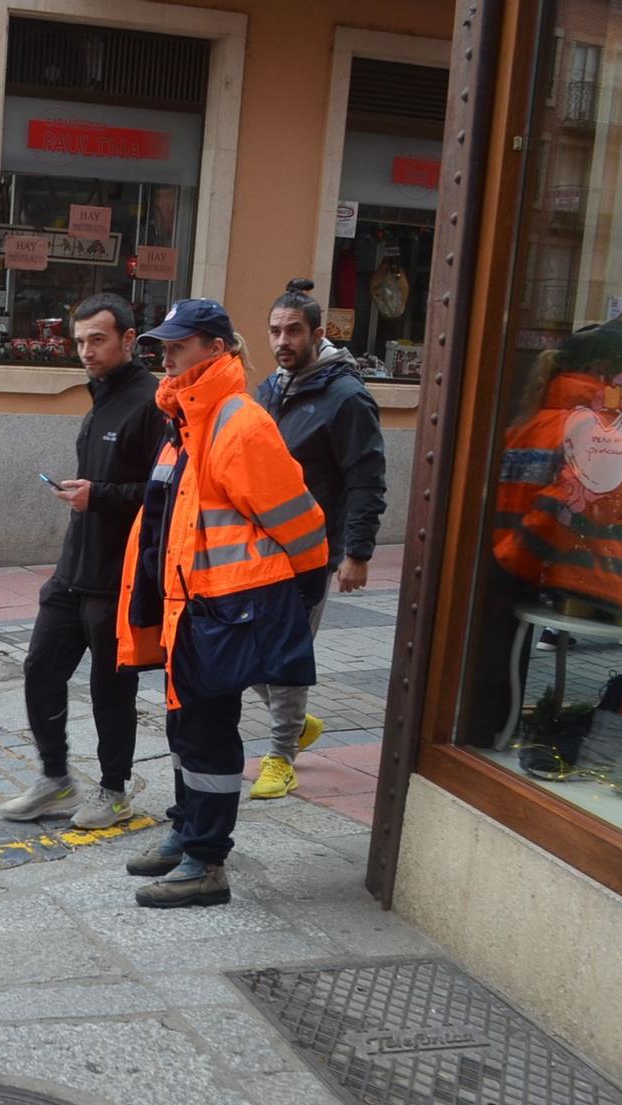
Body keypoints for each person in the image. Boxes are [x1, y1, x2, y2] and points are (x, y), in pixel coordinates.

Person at [116, 300, 330, 908]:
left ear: (214, 348)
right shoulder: (186, 420)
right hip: (191, 610)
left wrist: (302, 592)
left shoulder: (237, 423)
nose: (166, 355)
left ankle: (207, 862)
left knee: (208, 734)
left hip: (222, 612)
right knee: (185, 727)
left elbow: (300, 521)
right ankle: (187, 830)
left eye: (178, 345)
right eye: (163, 345)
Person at [0, 292, 167, 828]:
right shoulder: (99, 396)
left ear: (128, 341)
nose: (86, 351)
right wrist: (88, 495)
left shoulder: (152, 402)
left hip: (118, 576)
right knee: (40, 668)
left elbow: (165, 494)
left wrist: (102, 496)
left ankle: (113, 791)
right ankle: (56, 780)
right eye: (79, 341)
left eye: (98, 340)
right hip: (73, 569)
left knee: (109, 690)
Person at [247, 278, 387, 799]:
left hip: (310, 552)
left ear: (317, 333)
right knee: (241, 649)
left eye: (294, 331)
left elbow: (366, 478)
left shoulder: (346, 396)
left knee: (286, 655)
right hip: (258, 549)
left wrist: (357, 553)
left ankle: (281, 755)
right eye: (275, 331)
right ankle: (299, 725)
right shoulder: (272, 388)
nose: (283, 340)